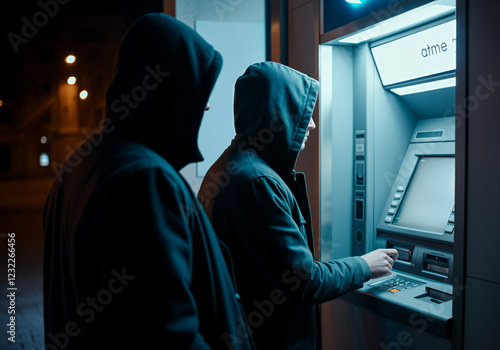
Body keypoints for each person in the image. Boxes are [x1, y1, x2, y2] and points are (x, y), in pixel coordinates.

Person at [43, 13, 255, 350]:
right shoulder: (144, 180)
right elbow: (166, 334)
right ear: (170, 90)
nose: (208, 105)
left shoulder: (76, 167)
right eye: (198, 91)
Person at [197, 61, 398, 350]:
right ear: (275, 113)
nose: (312, 124)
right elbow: (302, 282)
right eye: (302, 111)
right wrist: (365, 265)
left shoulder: (228, 168)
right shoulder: (257, 182)